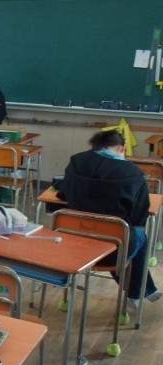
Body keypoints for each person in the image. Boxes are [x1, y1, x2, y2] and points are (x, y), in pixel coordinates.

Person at [57, 130, 161, 308]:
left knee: (115, 233)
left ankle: (143, 290)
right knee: (137, 237)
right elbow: (138, 217)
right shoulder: (132, 172)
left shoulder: (77, 161)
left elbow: (63, 194)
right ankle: (136, 294)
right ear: (123, 148)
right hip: (112, 251)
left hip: (72, 244)